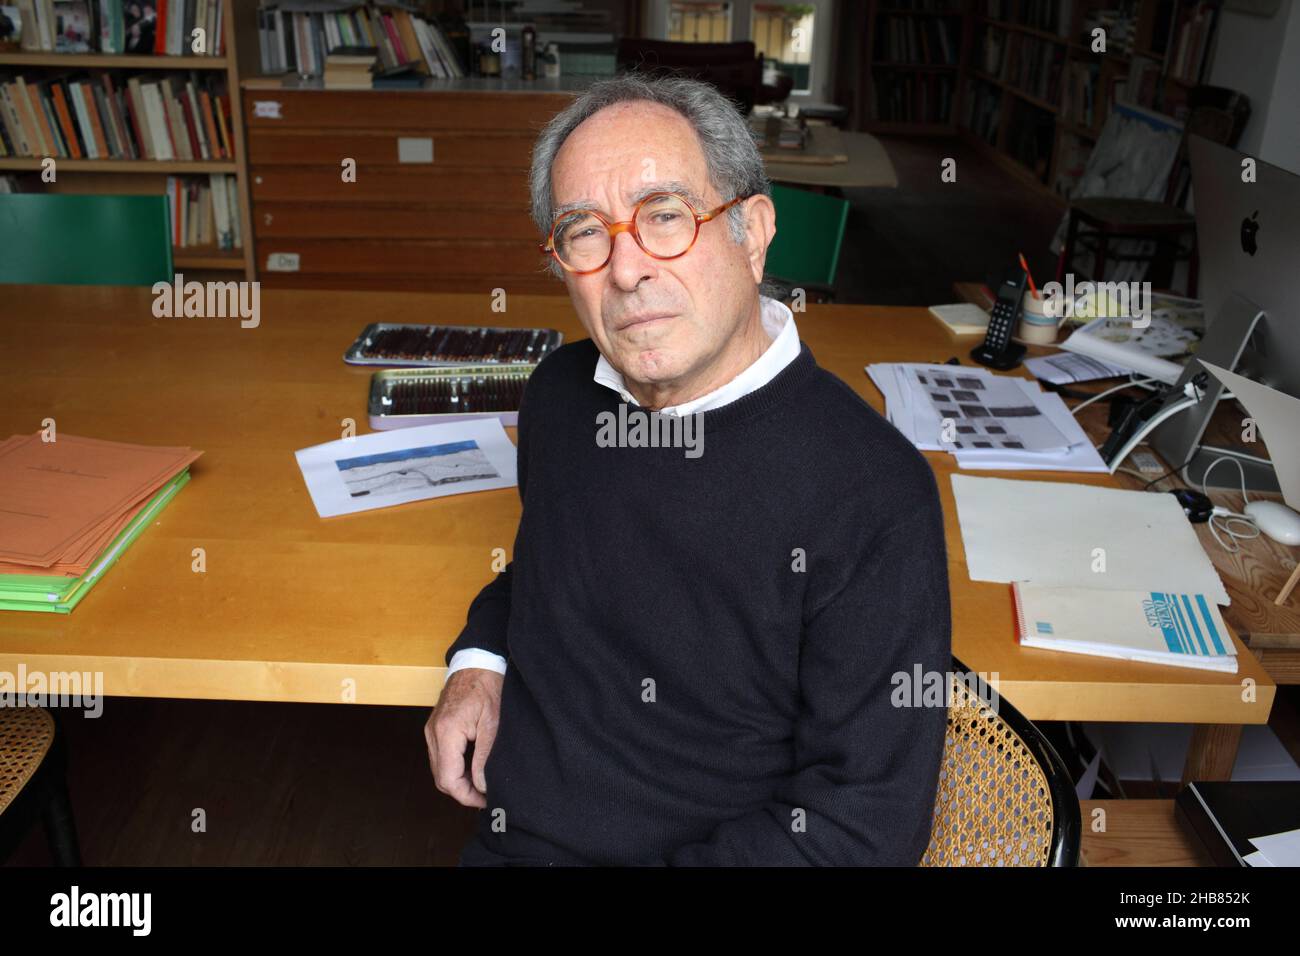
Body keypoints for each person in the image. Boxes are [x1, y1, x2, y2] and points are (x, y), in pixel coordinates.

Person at [425, 74, 951, 865]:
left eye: (665, 216)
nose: (627, 270)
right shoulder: (561, 395)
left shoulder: (875, 494)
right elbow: (540, 561)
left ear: (753, 230)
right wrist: (478, 662)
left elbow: (862, 829)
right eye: (584, 232)